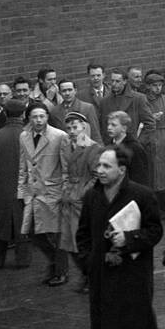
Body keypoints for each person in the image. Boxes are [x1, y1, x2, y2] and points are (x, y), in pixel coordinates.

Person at [77, 145, 165, 329]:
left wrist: (130, 239)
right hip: (101, 277)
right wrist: (88, 264)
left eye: (107, 166)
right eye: (99, 165)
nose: (100, 170)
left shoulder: (141, 195)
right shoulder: (91, 197)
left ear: (122, 170)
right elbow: (82, 235)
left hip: (132, 276)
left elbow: (155, 230)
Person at [19, 102, 71, 286]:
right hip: (33, 193)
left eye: (42, 116)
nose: (38, 120)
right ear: (29, 118)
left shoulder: (59, 136)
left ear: (48, 117)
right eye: (34, 116)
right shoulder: (24, 136)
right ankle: (53, 262)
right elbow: (23, 167)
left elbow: (66, 168)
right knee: (33, 232)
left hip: (53, 192)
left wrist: (65, 192)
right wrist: (21, 192)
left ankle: (61, 271)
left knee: (56, 234)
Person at [60, 111, 103, 293]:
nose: (71, 131)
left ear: (84, 127)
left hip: (83, 199)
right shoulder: (67, 146)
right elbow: (64, 171)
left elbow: (96, 176)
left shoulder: (93, 148)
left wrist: (83, 194)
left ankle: (91, 276)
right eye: (68, 127)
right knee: (69, 242)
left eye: (75, 127)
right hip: (68, 197)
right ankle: (86, 274)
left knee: (83, 242)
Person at [0, 101, 32, 268]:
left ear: (5, 114)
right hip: (25, 187)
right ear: (23, 114)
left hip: (1, 188)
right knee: (23, 226)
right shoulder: (30, 135)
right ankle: (23, 261)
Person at [141, 71, 165, 217]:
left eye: (159, 85)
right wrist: (151, 118)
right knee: (154, 178)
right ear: (148, 86)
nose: (158, 88)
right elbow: (139, 121)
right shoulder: (142, 100)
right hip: (150, 139)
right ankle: (157, 210)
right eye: (154, 86)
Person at [105, 111, 149, 188]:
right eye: (108, 124)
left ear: (124, 128)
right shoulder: (108, 147)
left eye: (113, 125)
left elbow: (140, 178)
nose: (109, 128)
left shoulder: (135, 149)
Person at [56, 78, 101, 143]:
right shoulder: (55, 112)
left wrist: (99, 151)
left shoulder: (87, 108)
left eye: (70, 90)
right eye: (64, 91)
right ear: (59, 93)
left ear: (75, 91)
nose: (67, 93)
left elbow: (95, 133)